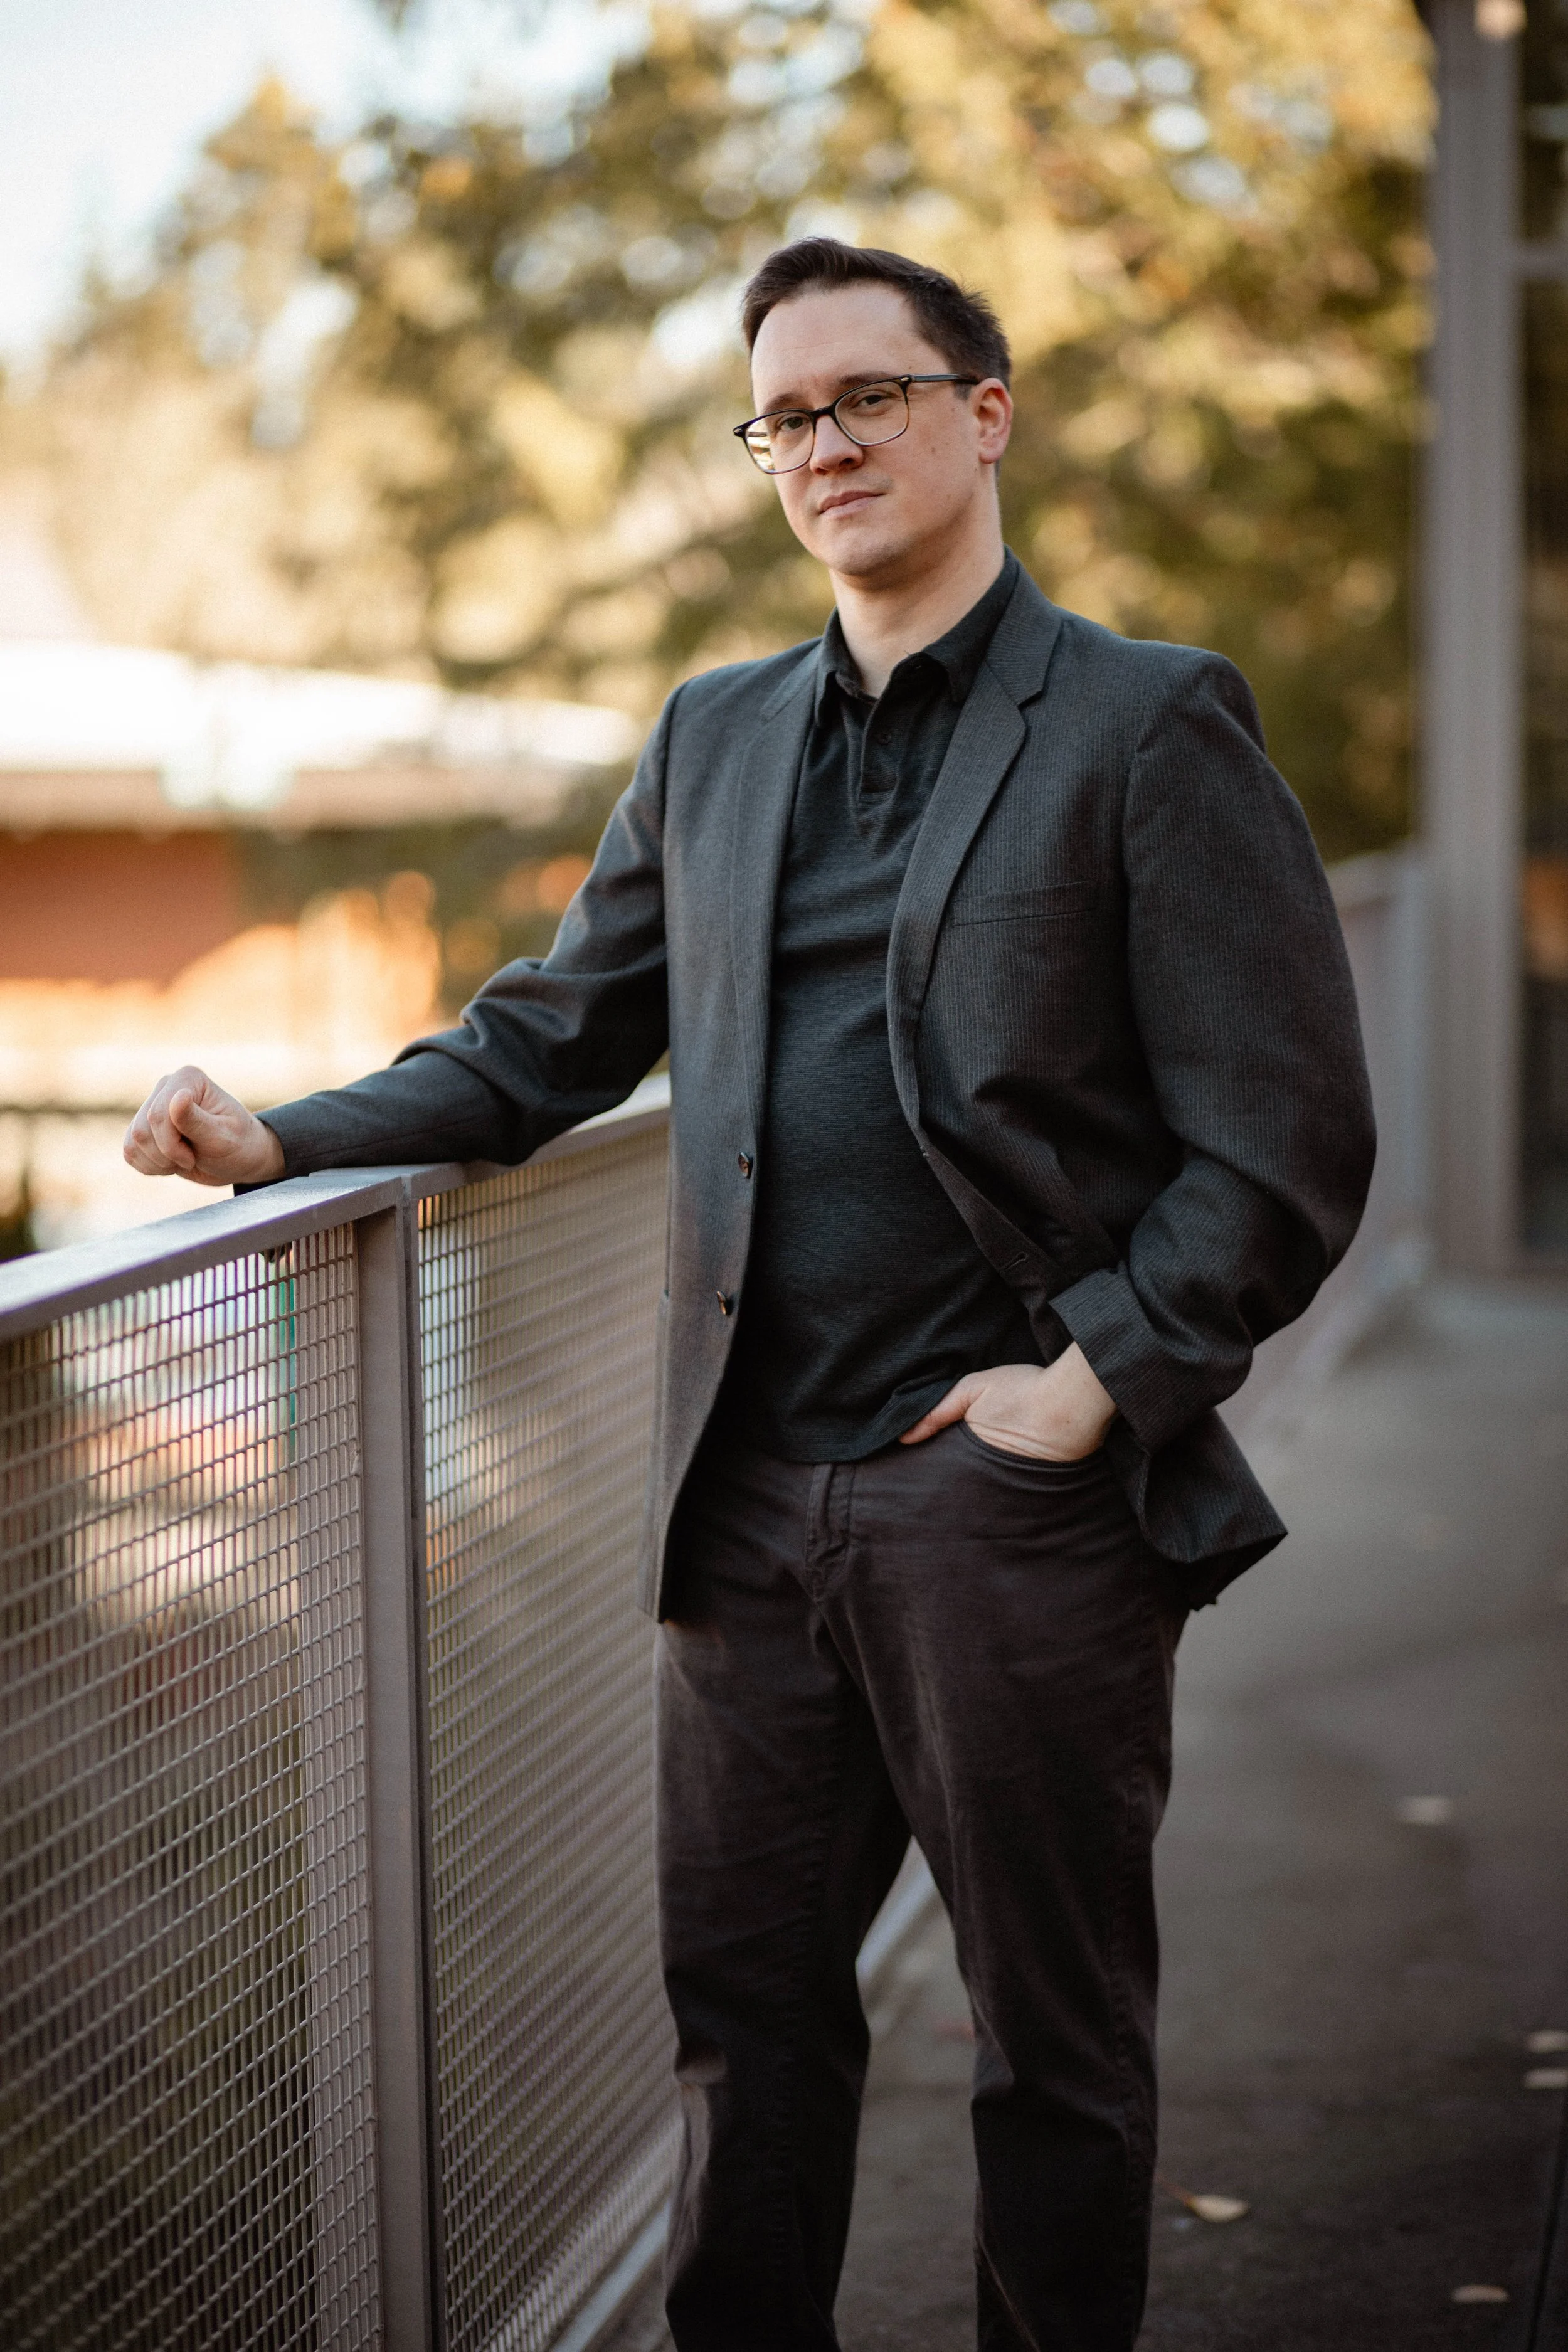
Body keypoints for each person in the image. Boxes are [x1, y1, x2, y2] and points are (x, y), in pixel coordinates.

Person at [125, 238, 1374, 2351]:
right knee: (744, 2037)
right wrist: (285, 1138)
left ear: (983, 413)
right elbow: (547, 1039)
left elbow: (1285, 1129)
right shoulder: (714, 738)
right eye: (786, 417)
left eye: (867, 397)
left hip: (1005, 1501)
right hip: (744, 1511)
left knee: (1049, 2049)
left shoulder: (1147, 723)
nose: (824, 447)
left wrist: (1094, 1381)